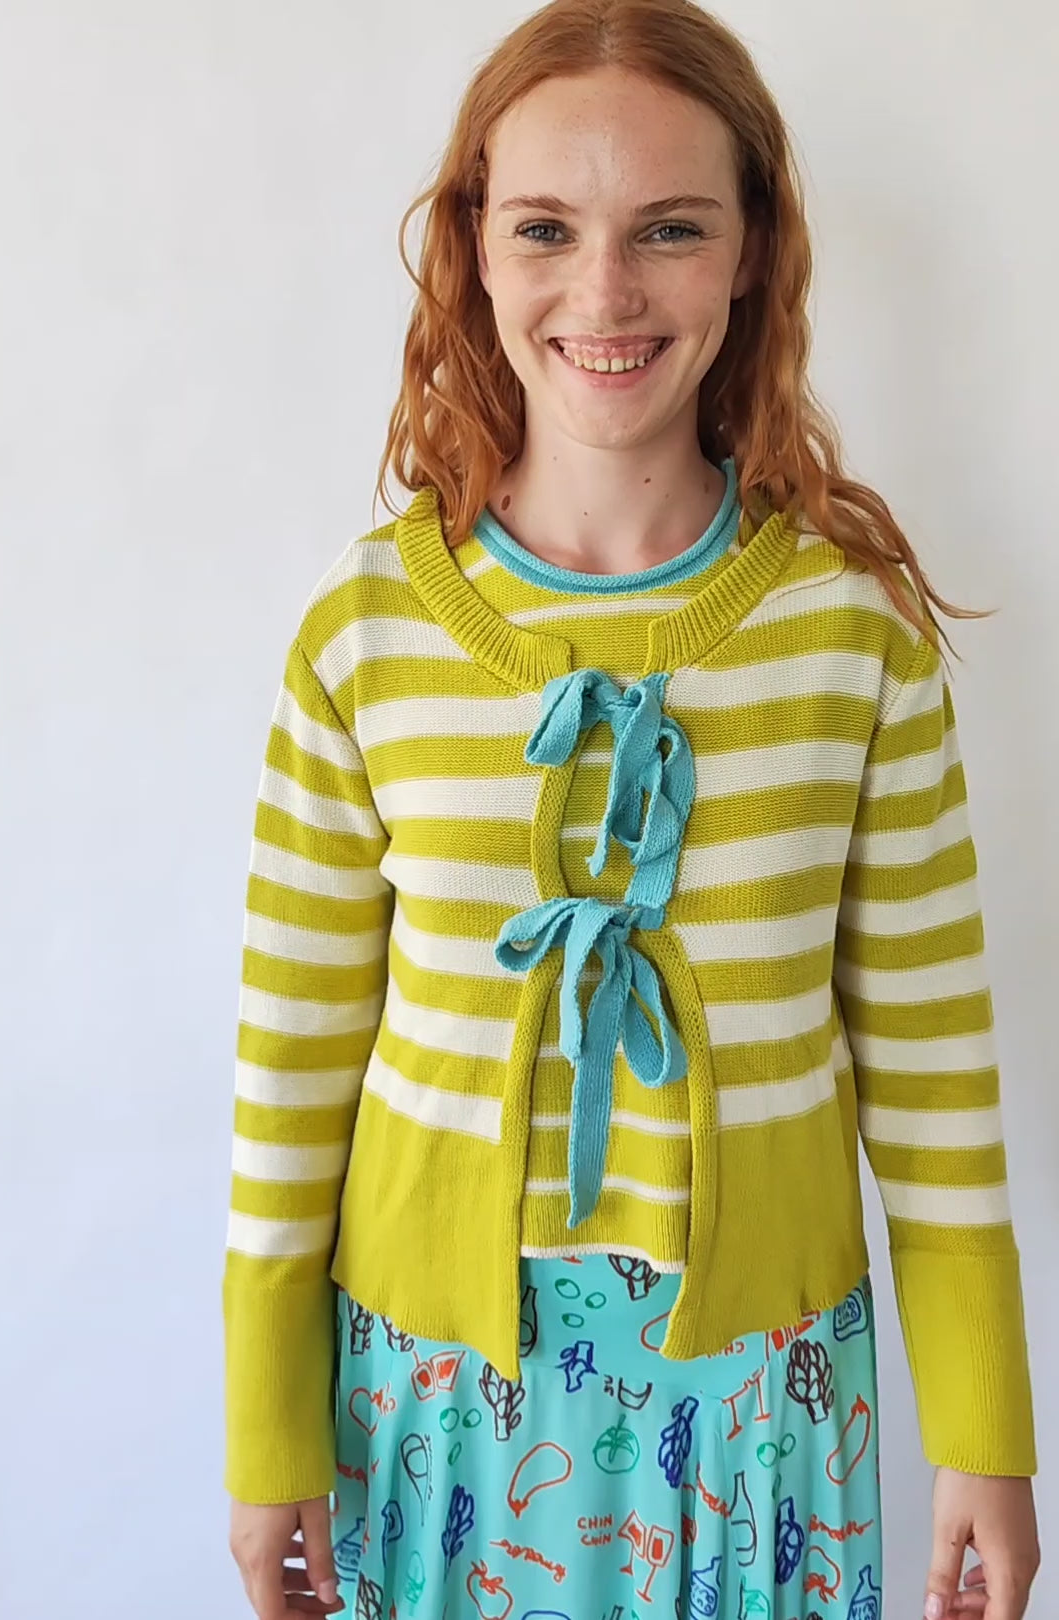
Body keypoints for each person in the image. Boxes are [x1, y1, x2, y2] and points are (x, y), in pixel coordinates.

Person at [224, 3, 1040, 1616]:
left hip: (764, 1408)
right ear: (474, 248)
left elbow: (935, 1071)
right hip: (430, 1400)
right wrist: (265, 1425)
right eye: (546, 228)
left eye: (670, 228)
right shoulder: (364, 633)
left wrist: (986, 1431)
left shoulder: (851, 634)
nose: (606, 293)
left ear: (753, 253)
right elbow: (293, 1054)